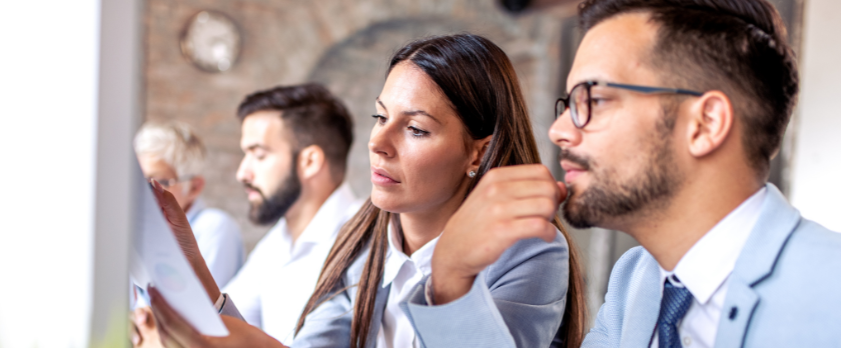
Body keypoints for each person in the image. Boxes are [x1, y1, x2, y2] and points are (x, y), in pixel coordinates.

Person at [412, 0, 841, 347]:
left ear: (706, 122)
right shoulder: (638, 284)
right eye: (567, 102)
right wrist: (452, 283)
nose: (558, 132)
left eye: (591, 99)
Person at [144, 33, 587, 348]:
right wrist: (194, 274)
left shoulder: (531, 254)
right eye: (380, 118)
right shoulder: (365, 242)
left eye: (415, 128)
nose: (377, 142)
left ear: (478, 153)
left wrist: (451, 277)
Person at [132, 83, 362, 346]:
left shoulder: (364, 238)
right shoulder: (277, 243)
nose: (242, 173)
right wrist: (190, 264)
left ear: (309, 162)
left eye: (259, 155)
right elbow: (226, 321)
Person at [135, 122, 244, 288]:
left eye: (156, 182)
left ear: (194, 187)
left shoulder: (214, 226)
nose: (141, 192)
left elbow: (204, 305)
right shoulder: (143, 230)